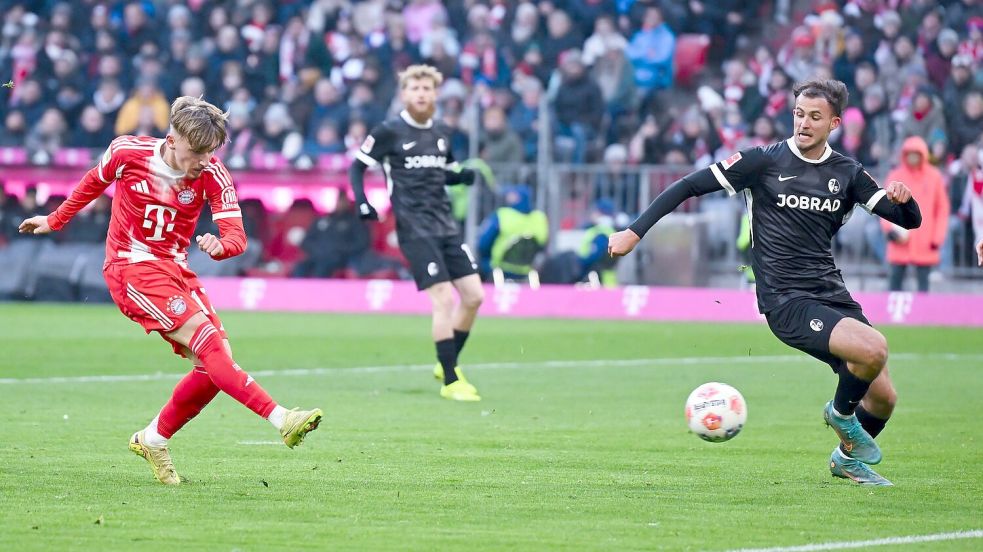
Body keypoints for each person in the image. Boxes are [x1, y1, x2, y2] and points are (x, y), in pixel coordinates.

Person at [609, 79, 922, 486]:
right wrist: (635, 231)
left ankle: (846, 460)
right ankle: (840, 416)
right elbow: (689, 185)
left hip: (831, 294)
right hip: (785, 299)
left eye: (814, 117)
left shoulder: (847, 173)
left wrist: (904, 198)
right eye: (798, 114)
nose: (804, 124)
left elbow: (909, 222)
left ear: (834, 124)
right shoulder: (763, 162)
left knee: (883, 398)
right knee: (874, 348)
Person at [18, 96, 322, 485]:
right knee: (212, 348)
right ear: (172, 138)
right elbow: (95, 181)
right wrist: (56, 220)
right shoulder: (127, 151)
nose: (203, 161)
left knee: (215, 364)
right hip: (131, 267)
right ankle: (282, 418)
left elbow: (236, 235)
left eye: (210, 153)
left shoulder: (213, 173)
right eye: (196, 152)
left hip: (176, 269)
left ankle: (153, 438)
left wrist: (222, 245)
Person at [349, 65, 484, 402]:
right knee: (444, 298)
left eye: (427, 88)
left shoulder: (441, 131)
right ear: (404, 94)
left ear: (436, 94)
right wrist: (363, 203)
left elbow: (442, 172)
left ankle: (447, 359)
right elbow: (357, 166)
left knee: (474, 297)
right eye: (415, 88)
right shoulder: (388, 132)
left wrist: (461, 176)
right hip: (413, 228)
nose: (421, 93)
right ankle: (451, 380)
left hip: (445, 226)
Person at [880, 136, 949, 292]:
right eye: (909, 154)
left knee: (923, 287)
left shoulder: (934, 176)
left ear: (922, 155)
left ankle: (924, 314)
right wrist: (889, 230)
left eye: (916, 154)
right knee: (894, 283)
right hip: (900, 239)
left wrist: (937, 237)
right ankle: (892, 315)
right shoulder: (896, 175)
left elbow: (942, 209)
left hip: (925, 240)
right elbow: (884, 205)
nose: (912, 158)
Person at [477, 185, 548, 281]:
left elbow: (483, 245)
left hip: (498, 268)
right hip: (527, 269)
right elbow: (542, 245)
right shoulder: (540, 218)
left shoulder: (502, 215)